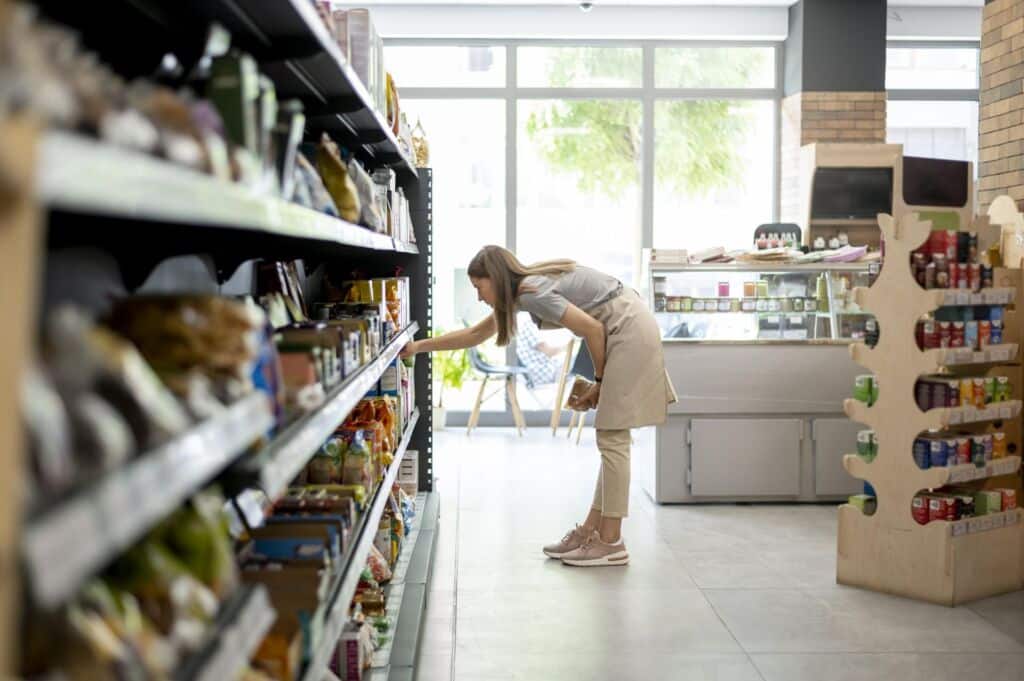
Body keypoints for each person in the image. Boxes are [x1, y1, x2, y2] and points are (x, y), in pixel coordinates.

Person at [400, 245, 675, 567]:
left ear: (496, 278)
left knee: (612, 438)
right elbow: (475, 334)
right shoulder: (524, 291)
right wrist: (418, 347)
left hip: (626, 329)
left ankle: (610, 542)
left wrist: (599, 381)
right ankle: (591, 531)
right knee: (611, 440)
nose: (478, 296)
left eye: (479, 287)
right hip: (622, 325)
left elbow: (592, 328)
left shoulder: (532, 292)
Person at [514, 312, 565, 389]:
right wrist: (568, 345)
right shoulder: (528, 325)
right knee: (572, 364)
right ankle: (560, 397)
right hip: (540, 374)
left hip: (536, 371)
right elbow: (549, 351)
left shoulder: (524, 324)